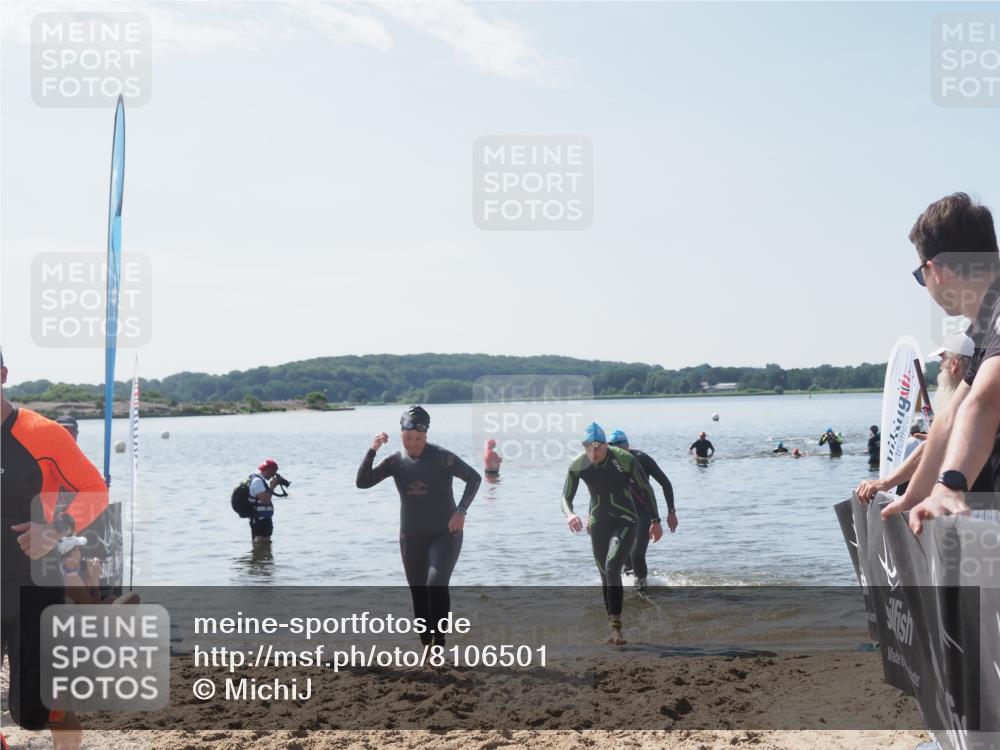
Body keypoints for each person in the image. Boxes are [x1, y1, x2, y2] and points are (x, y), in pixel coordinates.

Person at [1, 352, 108, 747]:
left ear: (3, 374)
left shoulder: (42, 433)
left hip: (33, 583)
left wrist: (56, 529)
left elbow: (95, 489)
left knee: (39, 708)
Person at [881, 193, 1000, 533]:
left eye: (921, 277)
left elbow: (985, 403)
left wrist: (949, 484)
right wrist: (913, 497)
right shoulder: (985, 325)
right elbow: (950, 417)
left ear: (936, 271)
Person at [356, 406, 481, 648]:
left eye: (418, 438)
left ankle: (439, 642)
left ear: (426, 435)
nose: (413, 443)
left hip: (445, 534)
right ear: (401, 434)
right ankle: (427, 646)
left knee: (435, 584)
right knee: (418, 591)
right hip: (411, 537)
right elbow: (363, 482)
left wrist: (461, 511)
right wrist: (373, 449)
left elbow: (474, 478)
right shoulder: (395, 461)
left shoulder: (441, 457)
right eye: (408, 438)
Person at [562, 423, 659, 645]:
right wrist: (570, 514)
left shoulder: (624, 459)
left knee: (613, 567)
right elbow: (565, 497)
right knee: (605, 575)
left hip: (626, 520)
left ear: (606, 444)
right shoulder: (578, 464)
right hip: (598, 523)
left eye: (598, 446)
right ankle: (613, 628)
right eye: (588, 447)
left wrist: (656, 520)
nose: (593, 452)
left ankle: (617, 630)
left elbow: (646, 488)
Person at [856, 335, 973, 502]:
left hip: (976, 498)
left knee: (912, 446)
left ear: (954, 364)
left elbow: (934, 449)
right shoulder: (978, 393)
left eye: (942, 359)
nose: (940, 367)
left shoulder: (968, 400)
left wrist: (885, 483)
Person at [607, 430, 675, 592]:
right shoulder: (607, 462)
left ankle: (642, 590)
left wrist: (671, 512)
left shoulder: (641, 459)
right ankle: (630, 587)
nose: (618, 451)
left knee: (637, 554)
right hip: (620, 513)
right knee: (623, 556)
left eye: (621, 446)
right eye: (614, 447)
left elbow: (665, 483)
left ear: (627, 445)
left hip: (643, 512)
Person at [247, 459, 285, 543]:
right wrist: (272, 486)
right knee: (263, 542)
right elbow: (265, 501)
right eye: (273, 472)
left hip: (261, 518)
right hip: (260, 519)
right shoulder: (257, 481)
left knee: (262, 546)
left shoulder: (259, 480)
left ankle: (257, 552)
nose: (273, 475)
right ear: (268, 470)